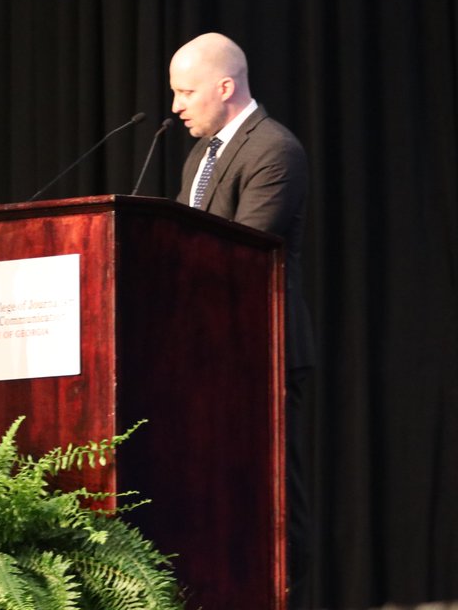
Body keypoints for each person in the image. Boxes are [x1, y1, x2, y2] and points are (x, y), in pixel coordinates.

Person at [168, 31, 314, 608]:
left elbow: (242, 251)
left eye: (186, 92)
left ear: (225, 87)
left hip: (262, 349)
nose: (176, 105)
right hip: (208, 353)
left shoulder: (274, 150)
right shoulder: (200, 157)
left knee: (272, 497)